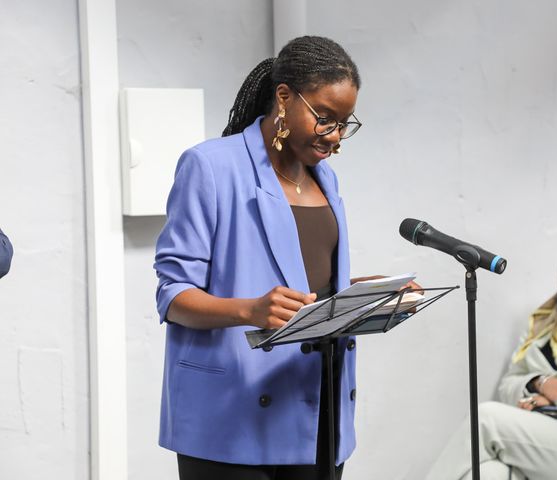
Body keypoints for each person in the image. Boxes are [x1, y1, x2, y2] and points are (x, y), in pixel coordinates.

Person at [154, 36, 386, 480]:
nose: (335, 136)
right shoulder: (210, 167)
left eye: (344, 123)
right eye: (324, 118)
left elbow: (303, 283)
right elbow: (172, 294)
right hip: (233, 414)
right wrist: (250, 309)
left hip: (317, 404)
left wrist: (358, 294)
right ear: (284, 97)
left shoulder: (327, 180)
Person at [426, 226, 557, 480]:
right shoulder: (544, 319)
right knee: (487, 473)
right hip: (536, 440)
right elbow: (508, 385)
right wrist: (541, 384)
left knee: (486, 420)